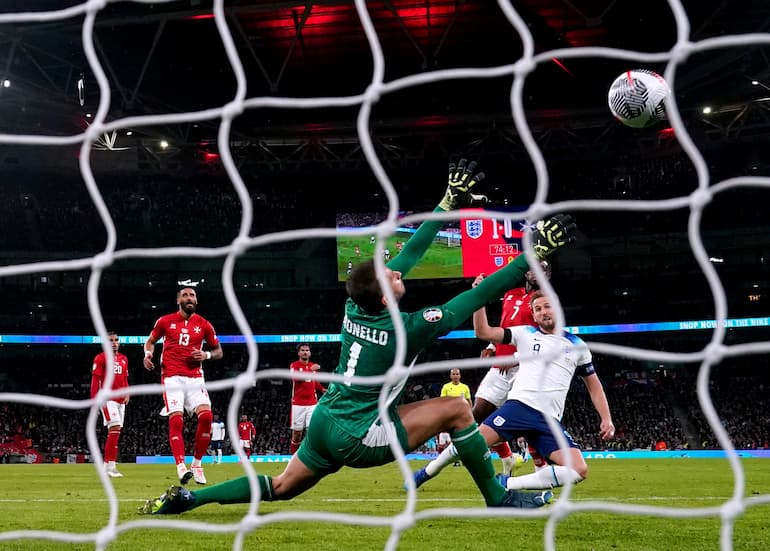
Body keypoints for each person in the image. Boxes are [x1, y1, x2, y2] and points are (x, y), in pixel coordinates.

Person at [139, 158, 576, 515]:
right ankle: (497, 498)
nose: (396, 270)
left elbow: (411, 252)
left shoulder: (356, 304)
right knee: (459, 410)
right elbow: (479, 291)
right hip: (359, 434)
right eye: (390, 276)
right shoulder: (408, 327)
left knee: (281, 487)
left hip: (326, 419)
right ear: (386, 296)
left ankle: (191, 498)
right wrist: (531, 257)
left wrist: (446, 205)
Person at [412, 261, 551, 486]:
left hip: (525, 369)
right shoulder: (511, 294)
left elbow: (545, 338)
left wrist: (514, 357)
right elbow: (506, 325)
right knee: (472, 419)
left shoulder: (545, 302)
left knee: (528, 424)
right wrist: (494, 348)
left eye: (542, 269)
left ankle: (541, 475)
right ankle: (432, 470)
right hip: (499, 369)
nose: (536, 272)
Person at [476, 291, 614, 492]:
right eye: (538, 309)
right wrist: (479, 297)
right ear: (533, 315)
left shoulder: (578, 346)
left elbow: (594, 385)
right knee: (472, 444)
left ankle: (506, 484)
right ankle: (425, 472)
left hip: (548, 419)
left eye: (547, 306)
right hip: (519, 407)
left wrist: (606, 418)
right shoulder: (525, 334)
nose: (543, 312)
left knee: (579, 470)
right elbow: (484, 332)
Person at [143, 286, 223, 485]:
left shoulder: (204, 325)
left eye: (193, 295)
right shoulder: (164, 321)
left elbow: (218, 351)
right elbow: (150, 341)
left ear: (196, 300)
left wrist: (206, 355)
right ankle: (180, 466)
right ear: (178, 300)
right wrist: (148, 354)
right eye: (185, 295)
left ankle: (196, 464)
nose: (190, 298)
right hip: (172, 377)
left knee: (206, 417)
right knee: (176, 421)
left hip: (195, 377)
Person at [90, 331, 129, 478]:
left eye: (116, 340)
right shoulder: (100, 358)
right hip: (107, 399)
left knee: (116, 433)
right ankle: (109, 466)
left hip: (120, 401)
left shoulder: (124, 359)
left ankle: (109, 465)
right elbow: (95, 382)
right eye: (111, 340)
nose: (114, 342)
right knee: (115, 428)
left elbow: (125, 379)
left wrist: (127, 392)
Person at [289, 343, 327, 454]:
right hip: (298, 404)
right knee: (297, 434)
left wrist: (322, 389)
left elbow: (314, 381)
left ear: (310, 353)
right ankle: (293, 458)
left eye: (307, 350)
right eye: (303, 350)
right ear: (299, 353)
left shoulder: (312, 366)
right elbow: (296, 378)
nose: (305, 352)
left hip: (312, 404)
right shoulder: (294, 366)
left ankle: (310, 457)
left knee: (312, 432)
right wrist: (311, 370)